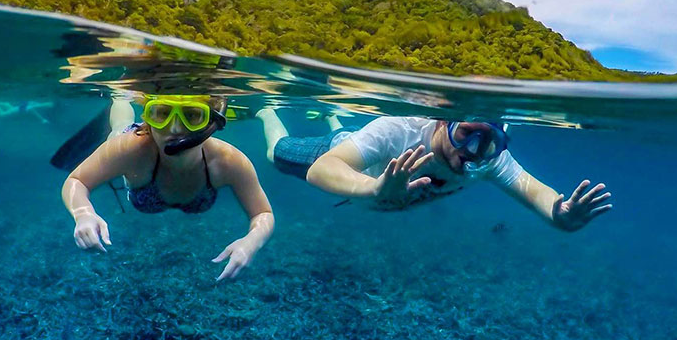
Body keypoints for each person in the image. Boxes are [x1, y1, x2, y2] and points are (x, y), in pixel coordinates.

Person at [257, 109, 611, 231]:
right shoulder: (399, 129)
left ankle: (334, 117)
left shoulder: (488, 159)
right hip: (341, 150)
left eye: (485, 143)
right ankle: (266, 114)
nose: (469, 155)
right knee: (276, 155)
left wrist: (560, 215)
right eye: (464, 135)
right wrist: (374, 188)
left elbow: (535, 191)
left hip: (363, 159)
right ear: (443, 122)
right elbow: (323, 169)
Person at [61, 94, 274, 280]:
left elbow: (263, 213)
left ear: (210, 123)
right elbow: (77, 181)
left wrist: (252, 242)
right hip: (132, 140)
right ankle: (122, 98)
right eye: (161, 114)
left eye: (191, 116)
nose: (174, 129)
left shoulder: (229, 161)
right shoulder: (128, 149)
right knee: (119, 130)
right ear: (148, 116)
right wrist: (83, 214)